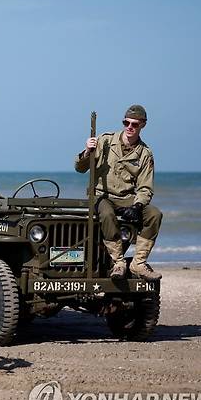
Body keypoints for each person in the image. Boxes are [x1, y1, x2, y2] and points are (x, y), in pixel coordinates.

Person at [75, 104, 163, 282]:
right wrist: (87, 152)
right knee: (107, 214)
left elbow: (145, 187)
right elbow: (80, 168)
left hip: (126, 198)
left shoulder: (145, 154)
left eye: (135, 124)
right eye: (126, 123)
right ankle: (119, 263)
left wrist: (137, 206)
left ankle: (138, 263)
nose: (130, 127)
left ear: (143, 125)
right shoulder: (105, 141)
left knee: (154, 214)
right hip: (102, 195)